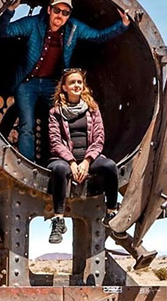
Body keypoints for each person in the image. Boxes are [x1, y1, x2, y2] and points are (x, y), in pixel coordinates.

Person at [0, 0, 130, 161]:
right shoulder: (33, 24)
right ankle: (28, 163)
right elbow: (2, 32)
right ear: (49, 10)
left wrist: (122, 25)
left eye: (65, 13)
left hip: (53, 84)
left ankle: (62, 162)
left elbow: (99, 36)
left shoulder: (74, 28)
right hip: (28, 83)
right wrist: (9, 12)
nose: (60, 15)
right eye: (57, 10)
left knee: (61, 123)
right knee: (26, 125)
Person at [47, 68, 119, 244]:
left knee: (110, 166)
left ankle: (111, 212)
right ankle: (58, 219)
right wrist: (71, 161)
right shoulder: (55, 112)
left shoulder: (93, 109)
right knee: (58, 170)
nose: (77, 85)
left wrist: (86, 162)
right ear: (64, 87)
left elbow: (99, 138)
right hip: (64, 159)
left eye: (79, 82)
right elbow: (55, 141)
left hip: (88, 158)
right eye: (72, 82)